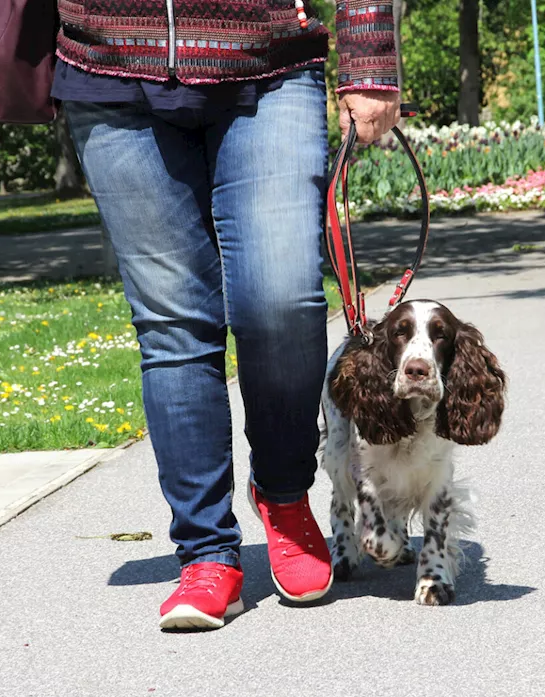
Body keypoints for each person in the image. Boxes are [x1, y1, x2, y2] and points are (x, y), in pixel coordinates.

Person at [52, 0, 401, 630]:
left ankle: (284, 491)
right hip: (108, 66)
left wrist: (370, 60)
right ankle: (208, 552)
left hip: (267, 60)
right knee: (172, 324)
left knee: (282, 301)